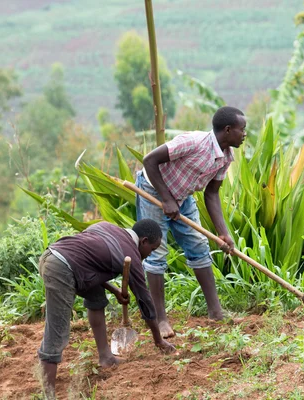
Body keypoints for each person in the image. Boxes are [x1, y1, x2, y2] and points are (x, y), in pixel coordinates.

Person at [137, 106, 247, 338]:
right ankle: (160, 319)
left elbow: (212, 194)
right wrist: (166, 199)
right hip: (154, 191)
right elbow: (149, 161)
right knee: (157, 253)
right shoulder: (194, 142)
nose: (244, 134)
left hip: (182, 196)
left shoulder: (226, 156)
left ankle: (215, 311)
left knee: (199, 246)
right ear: (227, 130)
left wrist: (223, 233)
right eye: (242, 129)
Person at [37, 219, 175, 399]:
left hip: (54, 256)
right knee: (57, 331)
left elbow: (87, 259)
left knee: (96, 297)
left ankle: (106, 357)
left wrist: (115, 290)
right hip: (61, 268)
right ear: (144, 241)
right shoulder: (131, 255)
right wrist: (158, 340)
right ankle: (48, 394)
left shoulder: (106, 227)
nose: (149, 255)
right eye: (152, 250)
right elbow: (145, 301)